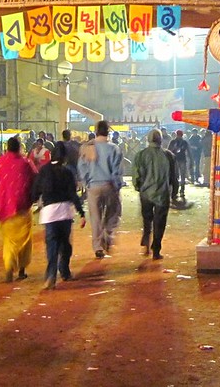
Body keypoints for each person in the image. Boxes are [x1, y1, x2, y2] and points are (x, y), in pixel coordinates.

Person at [32, 143, 86, 289]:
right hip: (65, 213)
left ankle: (50, 275)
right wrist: (81, 213)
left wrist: (35, 200)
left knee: (52, 246)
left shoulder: (44, 171)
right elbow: (73, 195)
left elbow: (36, 190)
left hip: (49, 214)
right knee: (65, 245)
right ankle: (65, 271)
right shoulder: (67, 172)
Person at [0, 136, 37, 282]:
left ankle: (9, 266)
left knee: (9, 240)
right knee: (24, 240)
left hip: (5, 208)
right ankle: (21, 270)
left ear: (7, 148)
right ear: (20, 148)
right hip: (23, 207)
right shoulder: (26, 163)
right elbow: (36, 180)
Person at [78, 120, 124, 259]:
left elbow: (82, 168)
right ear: (108, 132)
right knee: (114, 213)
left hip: (93, 187)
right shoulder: (114, 148)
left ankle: (97, 246)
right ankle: (107, 235)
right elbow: (117, 170)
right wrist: (117, 187)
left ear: (96, 131)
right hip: (109, 185)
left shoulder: (88, 146)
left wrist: (87, 183)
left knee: (95, 217)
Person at [132, 129, 177, 260]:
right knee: (160, 222)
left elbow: (136, 175)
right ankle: (156, 249)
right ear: (161, 140)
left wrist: (138, 187)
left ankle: (146, 239)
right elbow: (174, 178)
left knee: (147, 219)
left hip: (146, 193)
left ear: (148, 140)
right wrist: (174, 194)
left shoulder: (140, 155)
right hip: (162, 195)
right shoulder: (168, 155)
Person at [167, 130, 192, 202]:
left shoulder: (175, 142)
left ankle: (179, 191)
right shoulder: (182, 142)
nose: (179, 136)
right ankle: (179, 191)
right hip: (179, 160)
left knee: (177, 176)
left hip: (177, 160)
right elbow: (169, 151)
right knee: (179, 176)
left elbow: (168, 151)